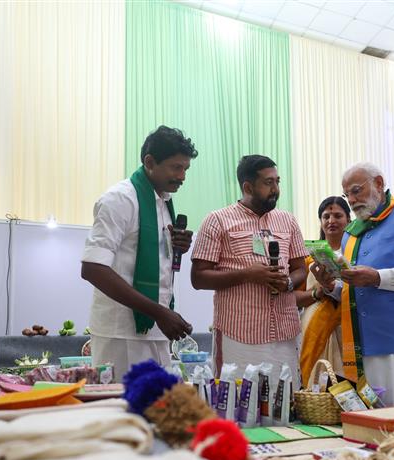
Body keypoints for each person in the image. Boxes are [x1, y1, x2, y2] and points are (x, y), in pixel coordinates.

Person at [313, 162, 394, 406]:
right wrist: (330, 285)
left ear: (379, 184)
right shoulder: (351, 233)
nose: (351, 200)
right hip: (362, 348)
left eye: (356, 190)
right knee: (373, 424)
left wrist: (378, 278)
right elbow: (351, 291)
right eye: (347, 194)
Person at [81, 126, 197, 378]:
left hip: (156, 330)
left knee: (156, 411)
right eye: (176, 167)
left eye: (185, 169)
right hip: (121, 333)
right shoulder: (120, 200)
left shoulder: (163, 202)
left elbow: (152, 260)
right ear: (150, 162)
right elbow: (92, 268)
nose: (182, 176)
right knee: (122, 411)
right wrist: (158, 311)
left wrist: (176, 247)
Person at [191, 155, 308, 387]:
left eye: (277, 181)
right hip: (240, 335)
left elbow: (300, 268)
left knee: (284, 408)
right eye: (268, 183)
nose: (275, 189)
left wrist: (288, 283)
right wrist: (248, 274)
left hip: (285, 334)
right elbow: (198, 277)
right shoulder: (217, 220)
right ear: (247, 187)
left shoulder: (288, 221)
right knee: (240, 409)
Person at [295, 196, 351, 383]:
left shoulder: (356, 254)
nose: (331, 221)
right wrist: (317, 292)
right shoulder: (309, 258)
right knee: (316, 386)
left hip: (348, 330)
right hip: (313, 329)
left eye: (337, 215)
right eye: (326, 216)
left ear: (348, 220)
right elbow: (293, 297)